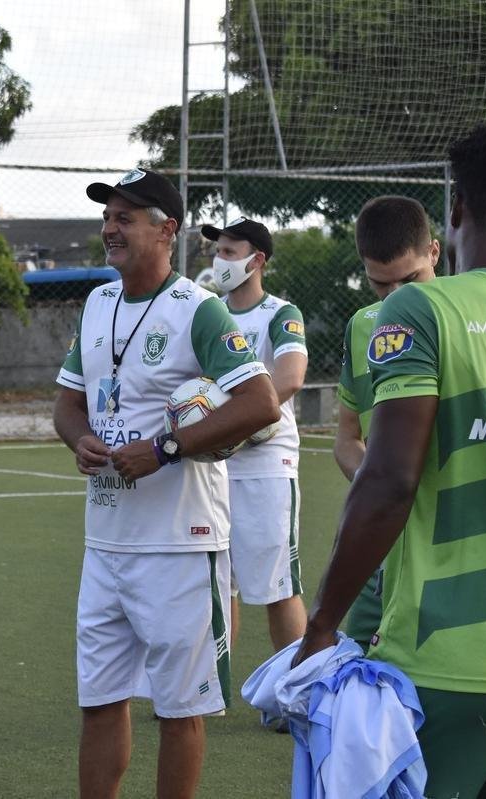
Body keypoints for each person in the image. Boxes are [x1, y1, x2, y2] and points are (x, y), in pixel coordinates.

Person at [295, 118, 486, 798]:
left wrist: (324, 623)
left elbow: (390, 477)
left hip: (450, 664)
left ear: (455, 210)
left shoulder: (419, 311)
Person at [53, 168, 279, 799]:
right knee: (99, 702)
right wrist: (81, 440)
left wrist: (165, 448)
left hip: (181, 544)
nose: (109, 229)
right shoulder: (98, 304)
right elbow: (66, 404)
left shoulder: (199, 310)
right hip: (106, 544)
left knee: (181, 711)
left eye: (125, 217)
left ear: (167, 229)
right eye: (107, 217)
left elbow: (260, 403)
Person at [334, 196, 438, 649]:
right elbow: (346, 439)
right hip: (387, 537)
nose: (397, 298)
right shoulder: (362, 327)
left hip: (447, 543)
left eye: (411, 279)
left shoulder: (462, 320)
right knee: (348, 665)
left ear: (434, 252)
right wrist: (379, 484)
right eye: (381, 285)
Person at [201, 218, 308, 656]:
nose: (219, 260)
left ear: (256, 260)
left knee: (277, 584)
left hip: (266, 466)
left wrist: (236, 422)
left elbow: (291, 376)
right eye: (218, 252)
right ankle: (208, 690)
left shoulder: (280, 313)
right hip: (214, 466)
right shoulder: (207, 312)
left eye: (229, 252)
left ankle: (296, 694)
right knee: (218, 585)